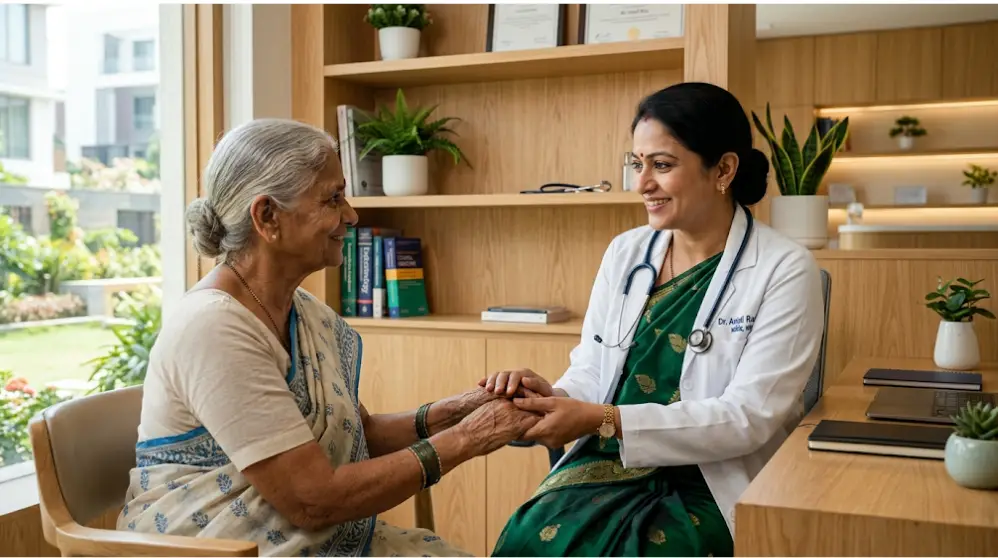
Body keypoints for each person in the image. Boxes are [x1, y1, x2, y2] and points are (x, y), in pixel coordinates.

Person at [117, 118, 540, 557]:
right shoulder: (213, 328)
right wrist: (468, 438)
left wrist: (465, 408)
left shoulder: (300, 311)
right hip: (210, 548)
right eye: (333, 198)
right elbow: (312, 500)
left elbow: (363, 432)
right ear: (267, 216)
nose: (351, 215)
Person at [483, 82, 826, 557]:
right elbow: (594, 369)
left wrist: (601, 418)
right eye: (636, 164)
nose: (641, 183)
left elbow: (748, 418)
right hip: (609, 458)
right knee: (529, 537)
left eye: (661, 166)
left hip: (711, 479)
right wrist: (552, 397)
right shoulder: (626, 252)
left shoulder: (784, 270)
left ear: (724, 169)